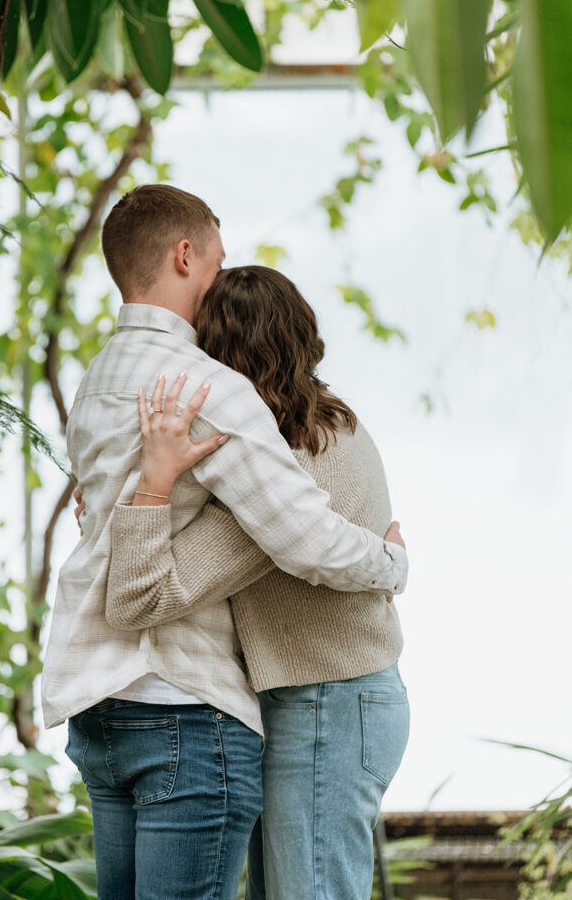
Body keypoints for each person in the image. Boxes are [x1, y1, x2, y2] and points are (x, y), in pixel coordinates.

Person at [41, 184, 408, 900]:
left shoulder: (106, 382)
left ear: (224, 349)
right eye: (217, 254)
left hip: (324, 697)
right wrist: (143, 493)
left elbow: (149, 585)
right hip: (233, 701)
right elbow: (152, 585)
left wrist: (392, 564)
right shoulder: (212, 400)